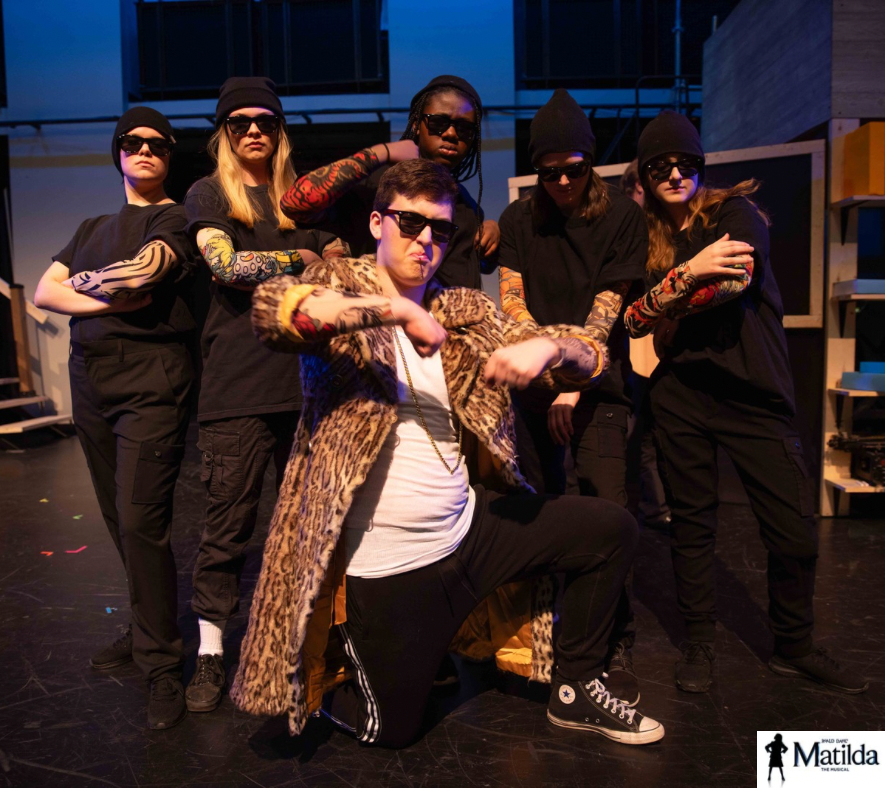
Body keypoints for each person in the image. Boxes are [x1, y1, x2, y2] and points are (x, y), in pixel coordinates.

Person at [229, 158, 665, 748]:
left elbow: (591, 353)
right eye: (411, 223)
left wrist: (551, 350)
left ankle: (576, 685)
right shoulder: (340, 284)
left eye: (440, 229)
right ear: (378, 223)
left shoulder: (465, 310)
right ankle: (363, 657)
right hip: (390, 568)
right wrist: (396, 310)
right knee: (393, 734)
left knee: (610, 528)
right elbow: (275, 309)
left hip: (469, 534)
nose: (426, 241)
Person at [623, 110, 869, 695]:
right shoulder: (644, 240)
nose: (675, 173)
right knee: (692, 529)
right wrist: (689, 273)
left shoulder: (735, 212)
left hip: (754, 392)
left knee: (793, 531)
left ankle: (794, 646)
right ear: (646, 174)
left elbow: (732, 281)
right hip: (681, 396)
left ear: (700, 165)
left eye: (685, 162)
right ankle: (699, 643)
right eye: (660, 165)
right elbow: (631, 319)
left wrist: (667, 299)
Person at [183, 77, 348, 714]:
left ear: (280, 131)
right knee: (227, 528)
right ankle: (210, 651)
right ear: (223, 132)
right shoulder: (208, 194)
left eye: (267, 122)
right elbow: (225, 266)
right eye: (240, 122)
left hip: (307, 386)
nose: (254, 130)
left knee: (309, 528)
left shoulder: (303, 201)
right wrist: (300, 258)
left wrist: (320, 254)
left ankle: (302, 644)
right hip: (237, 389)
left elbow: (341, 267)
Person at [34, 108, 196, 729]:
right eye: (133, 142)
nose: (145, 149)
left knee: (139, 520)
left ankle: (162, 665)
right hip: (90, 377)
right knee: (115, 517)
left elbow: (146, 274)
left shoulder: (174, 217)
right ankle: (145, 626)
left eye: (157, 143)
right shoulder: (92, 226)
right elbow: (45, 292)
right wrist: (110, 297)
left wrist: (87, 289)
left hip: (150, 378)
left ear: (169, 155)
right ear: (118, 152)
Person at [497, 89, 648, 704]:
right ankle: (538, 640)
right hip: (536, 389)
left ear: (591, 163)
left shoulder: (623, 218)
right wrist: (548, 375)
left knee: (609, 514)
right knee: (534, 513)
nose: (562, 181)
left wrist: (571, 383)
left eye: (575, 169)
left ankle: (612, 644)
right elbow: (512, 303)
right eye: (549, 170)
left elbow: (605, 313)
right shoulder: (518, 219)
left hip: (599, 386)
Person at [279, 74, 499, 288]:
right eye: (438, 122)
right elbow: (294, 204)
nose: (451, 133)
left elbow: (476, 271)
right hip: (379, 310)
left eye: (464, 128)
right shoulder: (381, 184)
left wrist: (494, 233)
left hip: (449, 312)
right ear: (416, 125)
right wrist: (381, 152)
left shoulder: (466, 204)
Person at [619, 159, 671, 529]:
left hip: (659, 351)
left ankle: (657, 507)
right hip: (633, 351)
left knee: (654, 434)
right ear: (639, 186)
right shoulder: (627, 229)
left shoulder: (663, 230)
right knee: (634, 434)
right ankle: (647, 508)